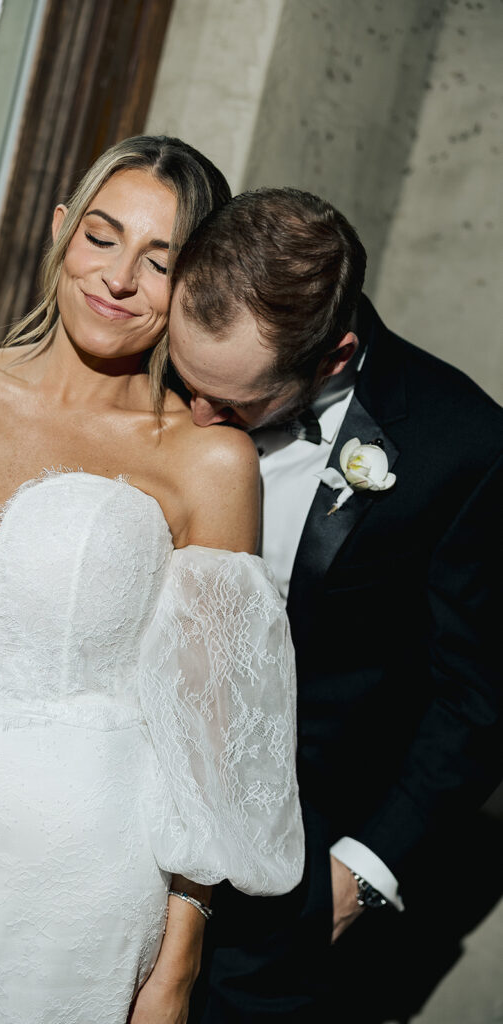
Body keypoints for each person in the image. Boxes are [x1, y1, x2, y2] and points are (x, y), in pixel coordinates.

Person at [0, 139, 305, 1024]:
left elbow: (212, 739)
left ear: (194, 290)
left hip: (82, 864)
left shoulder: (207, 462)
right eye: (102, 236)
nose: (118, 278)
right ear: (60, 232)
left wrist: (178, 964)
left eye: (159, 262)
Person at [165, 187, 503, 1023]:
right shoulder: (144, 364)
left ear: (332, 356)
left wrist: (360, 874)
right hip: (110, 829)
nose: (196, 418)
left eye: (235, 405)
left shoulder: (459, 445)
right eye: (186, 380)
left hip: (280, 894)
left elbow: (477, 694)